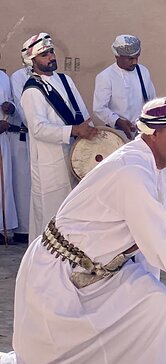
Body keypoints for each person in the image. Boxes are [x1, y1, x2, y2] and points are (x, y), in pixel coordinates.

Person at [1, 95, 166, 364]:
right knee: (41, 361)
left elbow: (147, 241)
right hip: (59, 273)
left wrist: (152, 279)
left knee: (153, 303)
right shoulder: (132, 170)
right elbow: (158, 238)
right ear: (156, 134)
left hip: (106, 271)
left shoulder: (160, 172)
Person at [20, 33, 97, 240]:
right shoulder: (32, 91)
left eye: (51, 52)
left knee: (75, 211)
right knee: (51, 215)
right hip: (50, 162)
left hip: (74, 155)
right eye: (44, 54)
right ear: (32, 61)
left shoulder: (65, 80)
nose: (51, 57)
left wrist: (87, 130)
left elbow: (80, 112)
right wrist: (73, 131)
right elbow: (38, 129)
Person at [94, 35, 156, 140]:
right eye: (130, 58)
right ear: (117, 56)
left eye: (137, 57)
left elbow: (152, 101)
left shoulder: (143, 71)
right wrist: (118, 122)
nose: (135, 62)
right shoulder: (106, 76)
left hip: (142, 133)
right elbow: (99, 108)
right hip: (117, 134)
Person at [8, 49, 32, 244]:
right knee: (22, 183)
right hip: (21, 135)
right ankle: (22, 230)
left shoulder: (57, 78)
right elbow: (20, 103)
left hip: (42, 136)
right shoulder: (18, 77)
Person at [0, 65, 19, 243]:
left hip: (2, 139)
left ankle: (2, 228)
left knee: (3, 185)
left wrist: (10, 108)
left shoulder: (4, 78)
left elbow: (12, 102)